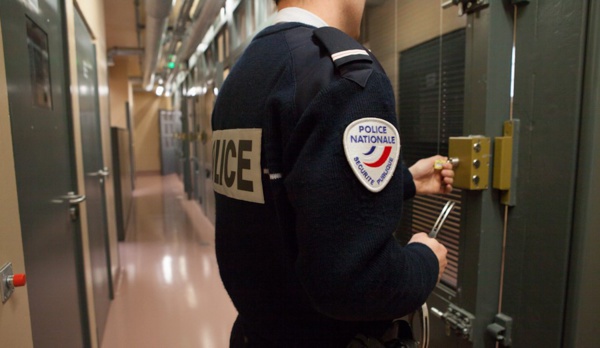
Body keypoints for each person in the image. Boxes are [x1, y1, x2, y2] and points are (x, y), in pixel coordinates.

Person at [211, 0, 454, 346]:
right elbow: (357, 283)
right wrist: (425, 260)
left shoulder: (243, 76)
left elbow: (287, 191)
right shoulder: (343, 77)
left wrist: (407, 180)